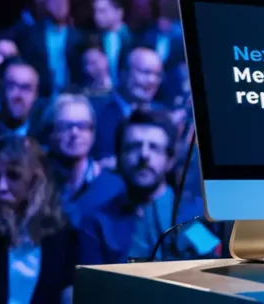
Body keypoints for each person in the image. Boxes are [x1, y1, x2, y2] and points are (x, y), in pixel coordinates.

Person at [77, 112, 209, 264]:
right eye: (133, 147)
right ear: (118, 158)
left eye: (154, 147)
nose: (144, 155)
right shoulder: (97, 223)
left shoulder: (194, 217)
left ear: (170, 159)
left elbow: (214, 271)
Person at [0, 135, 77, 304]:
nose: (0, 187)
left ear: (36, 179)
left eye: (13, 175)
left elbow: (68, 292)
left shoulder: (62, 235)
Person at [43, 95, 124, 227]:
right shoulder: (37, 183)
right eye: (65, 126)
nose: (75, 133)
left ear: (93, 133)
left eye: (83, 126)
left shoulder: (114, 187)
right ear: (50, 133)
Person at [0, 59, 43, 141]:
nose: (19, 95)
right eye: (11, 86)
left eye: (26, 88)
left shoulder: (44, 140)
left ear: (36, 94)